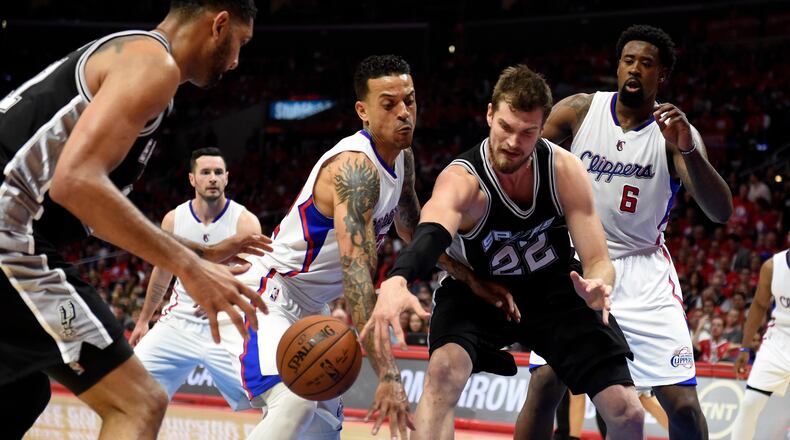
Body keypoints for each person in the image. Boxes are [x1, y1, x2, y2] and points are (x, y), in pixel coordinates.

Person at [0, 2, 269, 438]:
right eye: (241, 42)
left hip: (16, 231)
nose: (237, 61)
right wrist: (190, 267)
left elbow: (90, 204)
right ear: (219, 25)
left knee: (22, 391)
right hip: (8, 233)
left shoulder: (132, 55)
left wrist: (200, 253)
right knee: (139, 403)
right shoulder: (154, 63)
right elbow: (77, 182)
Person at [363, 64, 645, 439]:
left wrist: (599, 284)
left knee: (627, 411)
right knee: (443, 372)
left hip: (555, 289)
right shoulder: (464, 179)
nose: (513, 142)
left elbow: (597, 260)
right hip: (478, 290)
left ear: (542, 127)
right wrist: (399, 278)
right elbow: (430, 232)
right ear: (490, 114)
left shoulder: (564, 169)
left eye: (528, 132)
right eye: (506, 128)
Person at [521, 24, 733, 439]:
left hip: (643, 273)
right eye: (628, 60)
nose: (635, 69)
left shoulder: (674, 134)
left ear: (662, 75)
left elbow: (720, 211)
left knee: (685, 408)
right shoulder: (581, 110)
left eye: (647, 64)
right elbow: (520, 156)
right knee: (546, 383)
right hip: (579, 264)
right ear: (617, 66)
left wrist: (688, 147)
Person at [218, 55, 420, 440]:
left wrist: (469, 277)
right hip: (270, 295)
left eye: (409, 100)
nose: (404, 113)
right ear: (362, 110)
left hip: (313, 309)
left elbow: (416, 229)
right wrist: (389, 375)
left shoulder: (402, 159)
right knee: (295, 400)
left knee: (325, 426)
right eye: (389, 104)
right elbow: (357, 276)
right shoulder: (354, 168)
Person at [129, 147, 263, 411]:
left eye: (218, 172)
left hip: (228, 324)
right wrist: (144, 320)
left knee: (268, 399)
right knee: (133, 389)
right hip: (178, 323)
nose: (212, 178)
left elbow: (257, 275)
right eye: (205, 172)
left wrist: (222, 294)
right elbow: (162, 272)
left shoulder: (246, 222)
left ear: (227, 178)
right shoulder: (174, 219)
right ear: (192, 179)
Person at [731, 249, 790, 439]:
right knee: (750, 404)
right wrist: (745, 347)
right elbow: (758, 305)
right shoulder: (773, 266)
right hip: (778, 339)